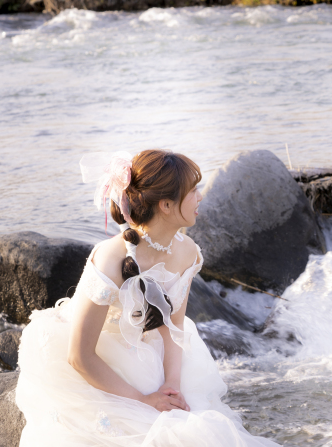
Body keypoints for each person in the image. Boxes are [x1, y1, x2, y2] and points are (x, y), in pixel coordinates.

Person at [15, 149, 280, 446]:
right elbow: (79, 356)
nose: (200, 197)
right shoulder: (111, 259)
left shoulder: (188, 252)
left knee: (196, 427)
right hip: (98, 357)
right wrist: (143, 400)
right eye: (193, 191)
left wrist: (171, 385)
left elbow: (173, 327)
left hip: (150, 348)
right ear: (166, 205)